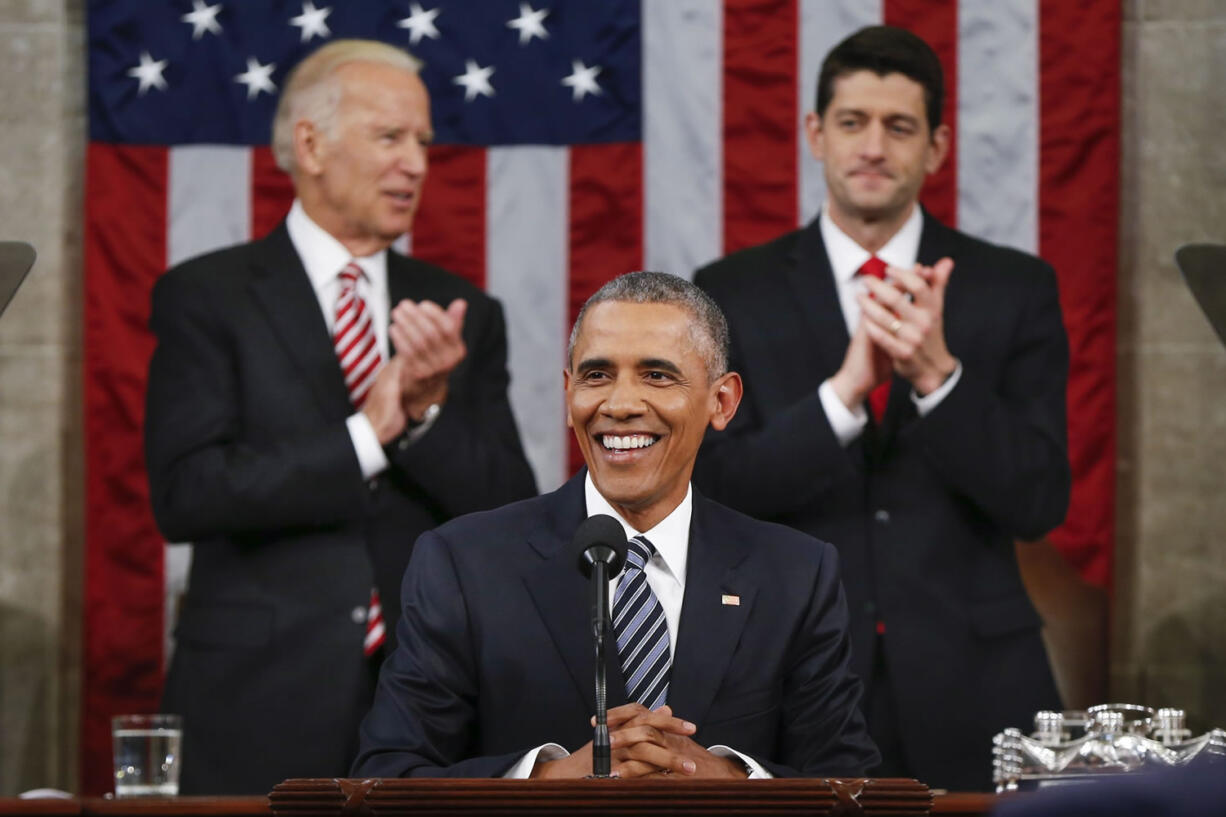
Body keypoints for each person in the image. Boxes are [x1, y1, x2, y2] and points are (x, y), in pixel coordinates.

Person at [143, 39, 537, 794]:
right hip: (257, 696)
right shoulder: (209, 296)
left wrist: (424, 415)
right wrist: (370, 431)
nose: (417, 164)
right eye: (390, 137)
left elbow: (508, 505)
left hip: (430, 694)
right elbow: (188, 491)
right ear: (311, 145)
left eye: (423, 141)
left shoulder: (463, 311)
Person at [692, 26, 1069, 791]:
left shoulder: (1013, 287)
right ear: (815, 134)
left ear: (935, 147)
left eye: (899, 127)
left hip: (979, 684)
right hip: (789, 681)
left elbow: (1039, 499)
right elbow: (717, 490)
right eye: (852, 122)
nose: (873, 146)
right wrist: (843, 396)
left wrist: (938, 376)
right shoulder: (732, 290)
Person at [351, 272, 879, 779]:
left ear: (722, 401)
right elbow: (389, 774)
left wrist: (733, 779)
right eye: (597, 375)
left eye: (657, 375)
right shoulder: (462, 563)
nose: (620, 404)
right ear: (568, 395)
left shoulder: (796, 573)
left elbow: (845, 783)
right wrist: (547, 778)